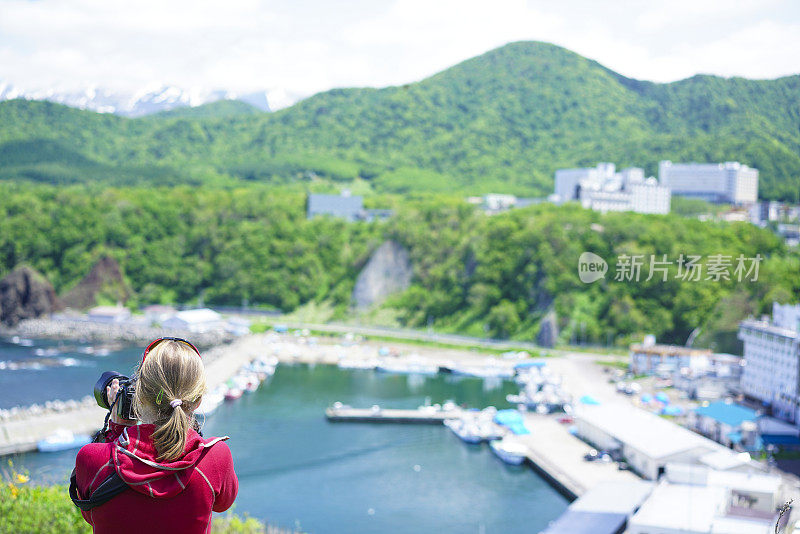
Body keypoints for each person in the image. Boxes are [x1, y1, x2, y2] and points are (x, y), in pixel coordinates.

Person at [73, 338, 238, 533]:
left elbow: (91, 513)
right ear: (198, 400)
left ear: (139, 394)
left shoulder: (92, 458)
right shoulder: (216, 457)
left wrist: (116, 430)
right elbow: (223, 504)